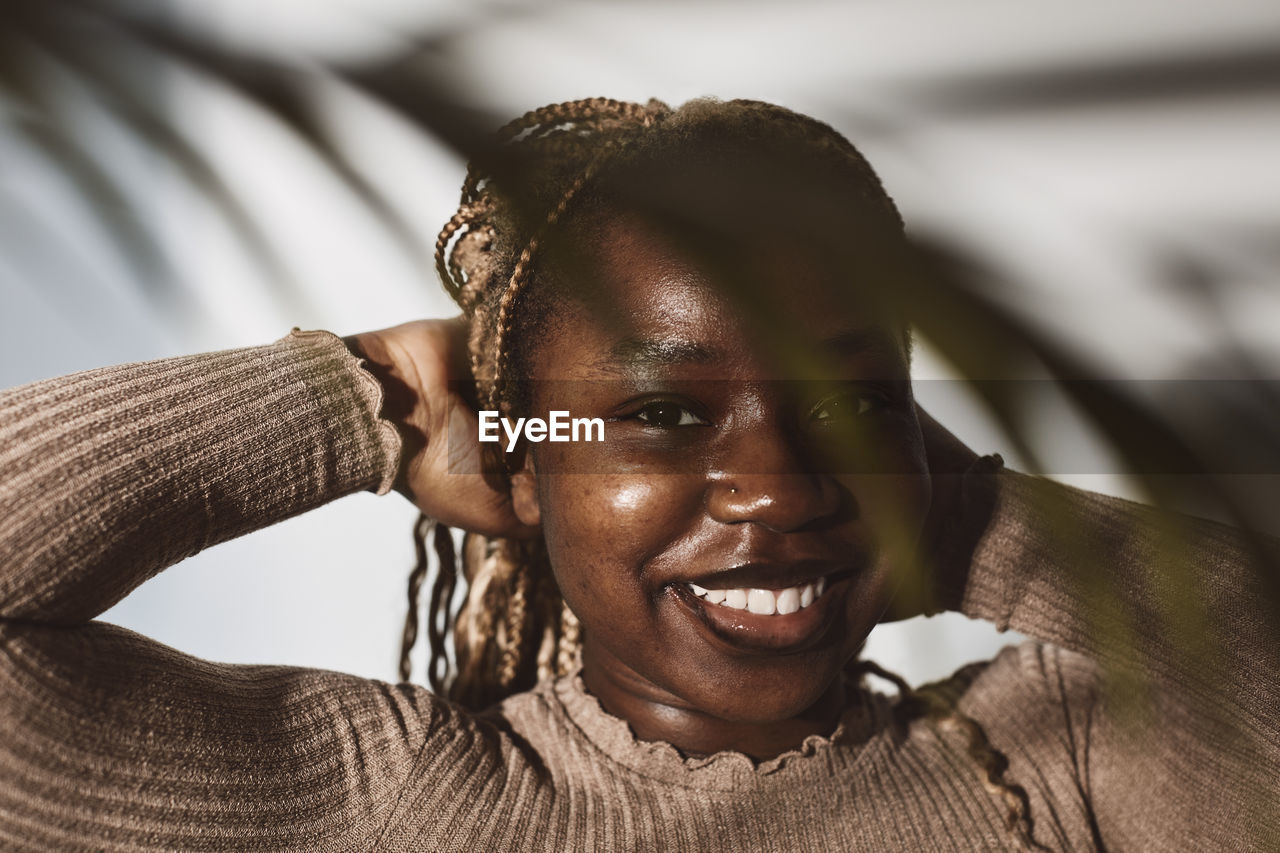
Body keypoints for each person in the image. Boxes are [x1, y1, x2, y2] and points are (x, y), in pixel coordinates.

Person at [0, 97, 1276, 852]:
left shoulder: (1057, 774)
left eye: (851, 402)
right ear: (524, 467)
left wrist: (955, 518)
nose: (777, 487)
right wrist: (370, 396)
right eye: (661, 409)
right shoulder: (391, 805)